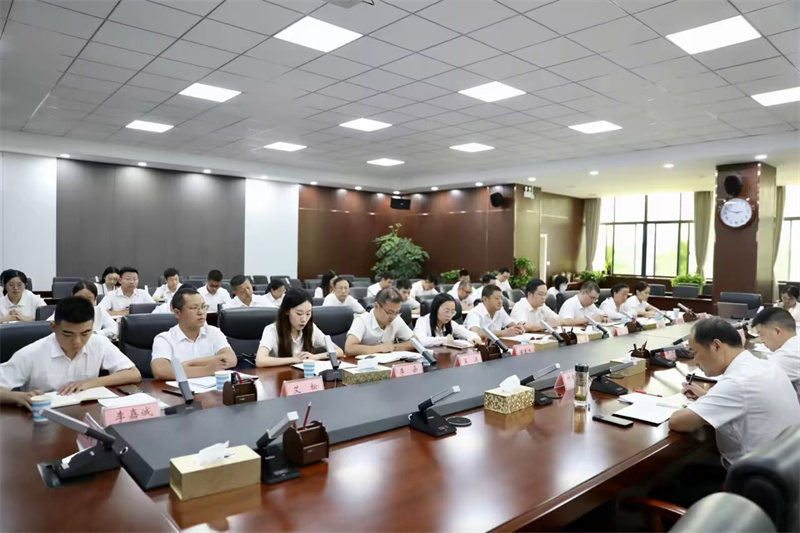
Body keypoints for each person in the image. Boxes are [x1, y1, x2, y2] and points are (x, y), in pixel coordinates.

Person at [669, 318, 799, 470]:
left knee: (677, 474)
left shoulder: (737, 382)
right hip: (786, 466)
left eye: (695, 352)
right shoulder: (765, 366)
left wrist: (705, 402)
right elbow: (742, 399)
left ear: (716, 346)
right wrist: (707, 398)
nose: (695, 361)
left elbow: (678, 422)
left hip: (751, 475)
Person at [0, 296, 141, 410]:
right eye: (68, 334)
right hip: (43, 418)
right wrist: (17, 397)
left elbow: (134, 374)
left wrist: (90, 383)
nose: (77, 342)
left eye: (85, 333)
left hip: (83, 414)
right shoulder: (31, 353)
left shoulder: (99, 343)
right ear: (53, 327)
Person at [151, 287, 237, 379]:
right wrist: (207, 369)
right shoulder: (165, 339)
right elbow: (160, 370)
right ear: (177, 313)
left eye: (203, 307)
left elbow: (231, 359)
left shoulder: (214, 332)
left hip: (212, 387)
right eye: (194, 308)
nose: (201, 312)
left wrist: (188, 364)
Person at [256, 289, 343, 367]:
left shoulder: (312, 328)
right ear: (287, 311)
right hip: (279, 376)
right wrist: (295, 360)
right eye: (299, 313)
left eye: (308, 313)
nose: (304, 319)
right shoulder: (272, 330)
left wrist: (315, 357)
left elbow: (339, 351)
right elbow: (260, 360)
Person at [345, 288, 417, 356]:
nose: (393, 316)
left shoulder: (396, 319)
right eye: (389, 312)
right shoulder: (361, 320)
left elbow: (416, 342)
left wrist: (392, 347)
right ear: (376, 306)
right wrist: (380, 348)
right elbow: (349, 348)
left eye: (396, 312)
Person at [751, 307, 800, 401]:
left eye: (761, 334)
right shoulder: (795, 344)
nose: (761, 340)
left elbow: (754, 382)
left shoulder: (788, 354)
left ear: (777, 331)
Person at [47, 281, 117, 338]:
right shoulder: (64, 310)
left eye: (89, 299)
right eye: (80, 298)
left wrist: (95, 333)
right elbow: (46, 327)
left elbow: (114, 328)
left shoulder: (99, 311)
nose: (84, 302)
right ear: (72, 296)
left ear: (95, 299)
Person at [414, 293, 480, 347]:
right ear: (436, 309)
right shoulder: (422, 321)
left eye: (452, 312)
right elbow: (420, 341)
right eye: (446, 311)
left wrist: (474, 338)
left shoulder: (450, 323)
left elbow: (467, 333)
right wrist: (445, 340)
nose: (449, 315)